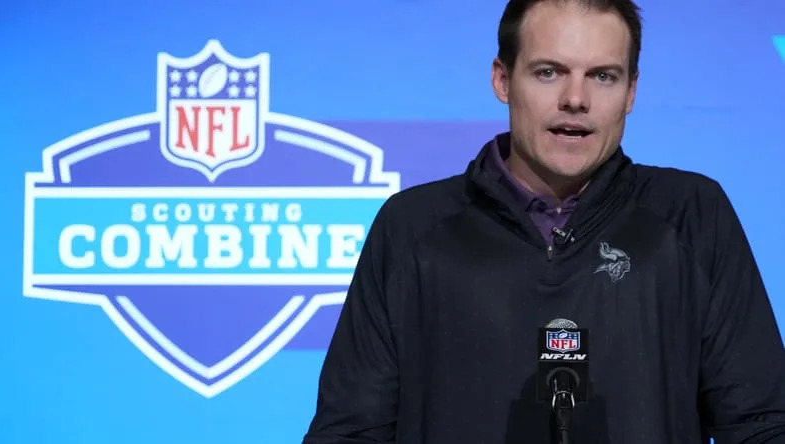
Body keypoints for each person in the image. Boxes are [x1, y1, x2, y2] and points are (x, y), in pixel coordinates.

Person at [302, 0, 785, 442]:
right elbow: (350, 431)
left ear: (631, 91)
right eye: (549, 72)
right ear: (502, 80)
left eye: (603, 76)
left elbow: (762, 424)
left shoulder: (692, 215)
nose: (576, 99)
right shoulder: (412, 228)